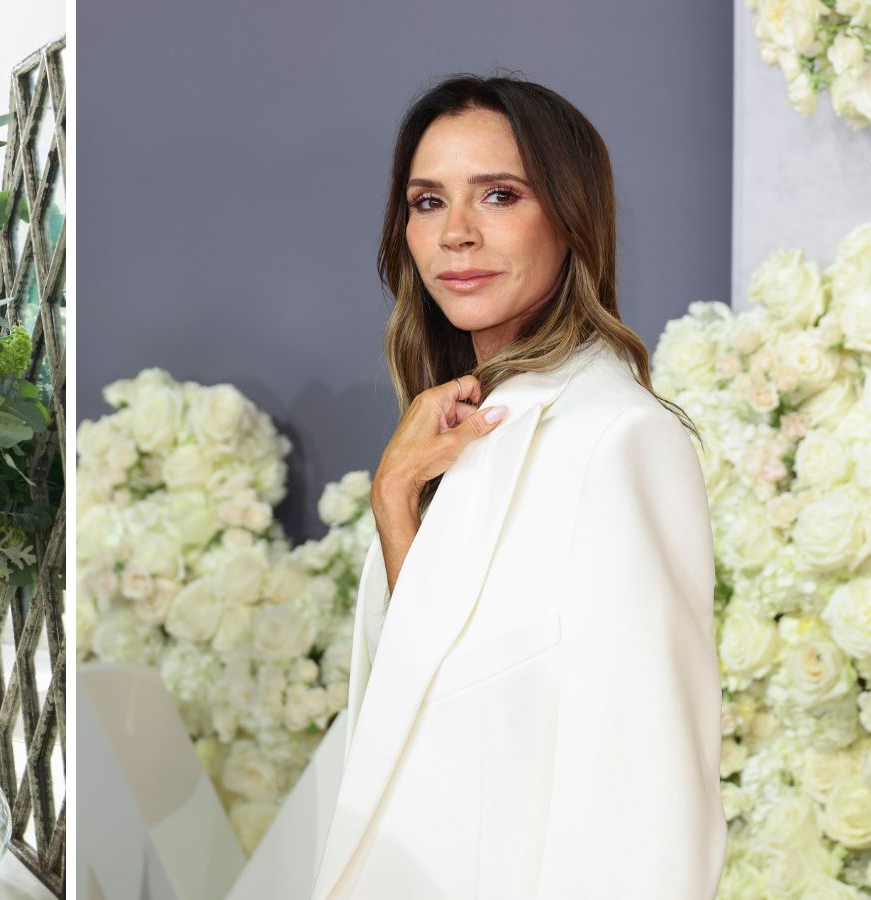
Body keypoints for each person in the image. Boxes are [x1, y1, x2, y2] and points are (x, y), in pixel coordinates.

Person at [308, 73, 726, 899]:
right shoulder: (459, 433)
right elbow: (418, 712)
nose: (456, 234)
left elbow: (651, 790)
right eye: (427, 202)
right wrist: (395, 502)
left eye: (498, 195)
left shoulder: (619, 437)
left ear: (572, 220)